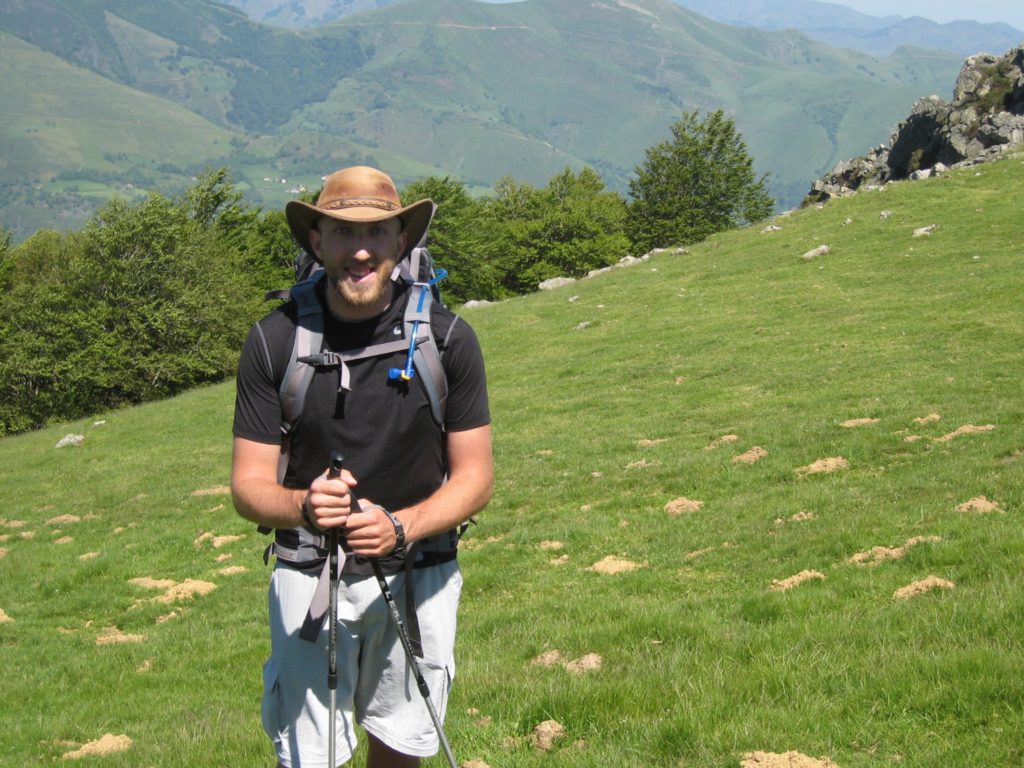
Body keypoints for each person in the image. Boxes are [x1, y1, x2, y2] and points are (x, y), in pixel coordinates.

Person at [230, 166, 493, 768]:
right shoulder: (274, 341)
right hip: (308, 571)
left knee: (401, 746)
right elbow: (247, 487)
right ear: (316, 242)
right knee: (308, 757)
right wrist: (301, 506)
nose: (361, 249)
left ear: (403, 241)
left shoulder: (448, 340)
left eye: (378, 231)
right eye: (343, 232)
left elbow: (476, 477)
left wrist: (401, 525)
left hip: (419, 568)